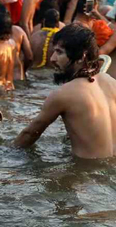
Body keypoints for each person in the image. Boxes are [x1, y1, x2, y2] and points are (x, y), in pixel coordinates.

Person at [14, 24, 116, 158]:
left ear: (82, 56)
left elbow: (29, 134)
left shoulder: (63, 94)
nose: (52, 58)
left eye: (59, 52)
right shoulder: (112, 83)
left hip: (84, 169)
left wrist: (5, 152)